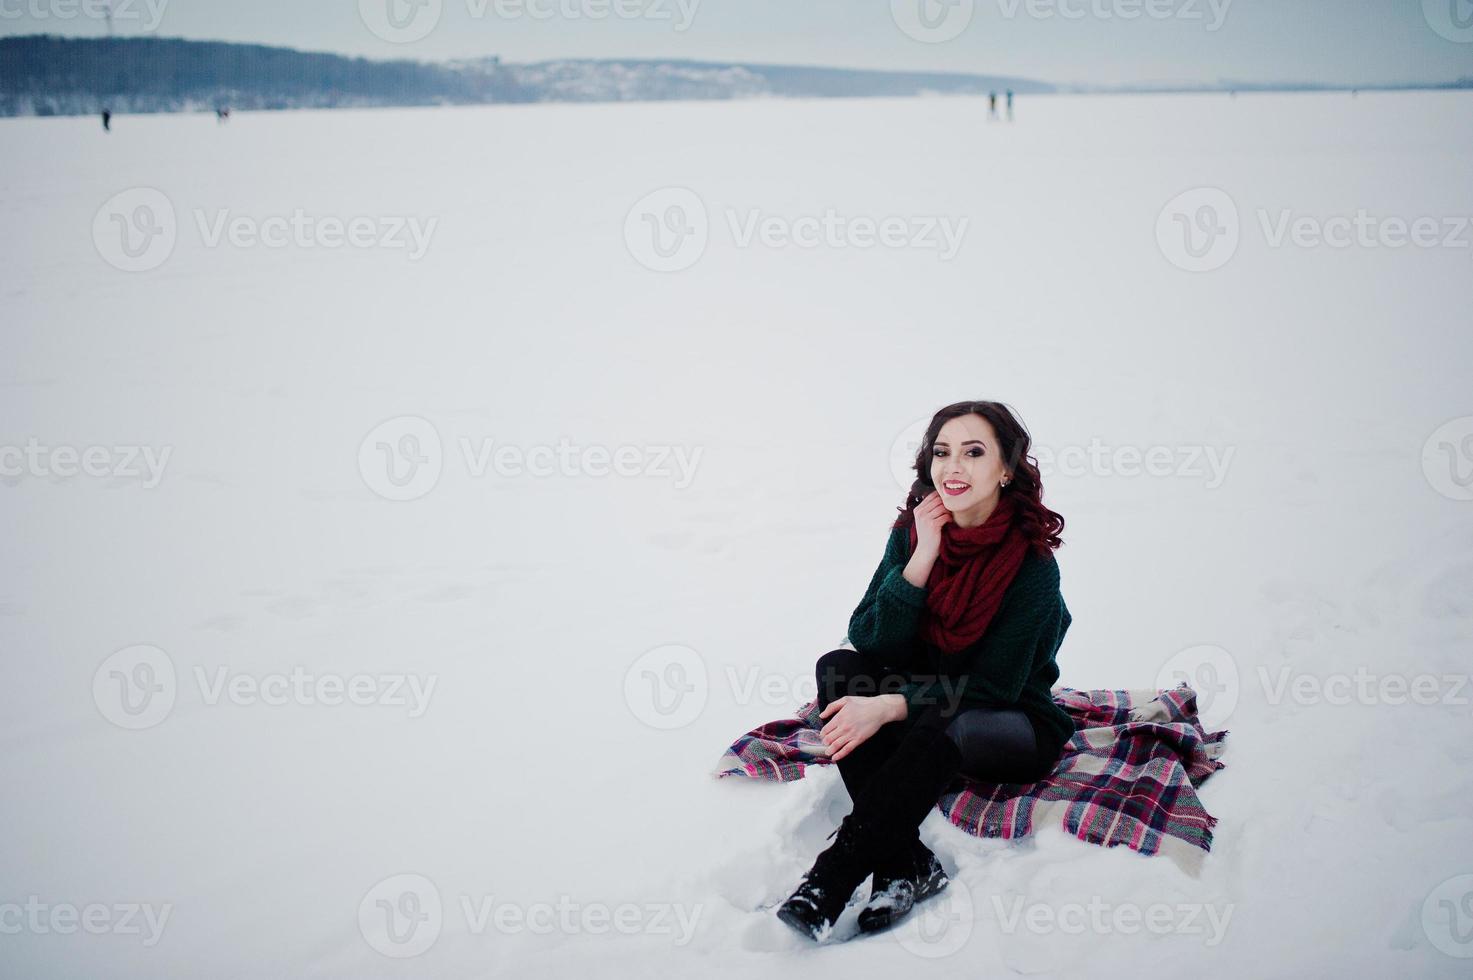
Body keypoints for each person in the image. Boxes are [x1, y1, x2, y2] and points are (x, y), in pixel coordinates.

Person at [775, 400, 1073, 941]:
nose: (952, 467)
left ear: (1006, 469)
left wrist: (890, 705)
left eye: (973, 452)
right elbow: (869, 637)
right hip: (924, 706)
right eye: (942, 452)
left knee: (951, 720)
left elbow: (992, 686)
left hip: (1003, 722)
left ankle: (830, 879)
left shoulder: (1032, 566)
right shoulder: (915, 531)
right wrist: (922, 556)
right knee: (839, 669)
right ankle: (906, 862)